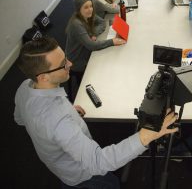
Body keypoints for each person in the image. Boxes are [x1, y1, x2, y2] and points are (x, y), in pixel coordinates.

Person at [14, 37, 178, 189]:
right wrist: (145, 136)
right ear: (43, 77)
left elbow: (20, 119)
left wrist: (68, 111)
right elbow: (97, 163)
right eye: (63, 64)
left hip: (60, 163)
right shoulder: (59, 121)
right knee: (111, 184)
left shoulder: (25, 86)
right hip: (83, 176)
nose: (70, 64)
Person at [65, 0, 126, 99]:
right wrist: (112, 42)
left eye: (91, 6)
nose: (90, 9)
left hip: (85, 50)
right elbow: (92, 46)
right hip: (76, 61)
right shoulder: (76, 24)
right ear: (78, 9)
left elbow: (102, 23)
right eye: (86, 7)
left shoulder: (89, 15)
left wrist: (92, 33)